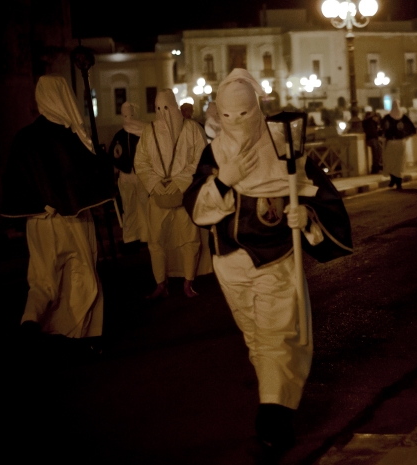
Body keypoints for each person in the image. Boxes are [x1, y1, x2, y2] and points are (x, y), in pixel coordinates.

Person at [182, 68, 353, 452]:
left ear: (257, 110)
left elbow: (323, 200)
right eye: (227, 116)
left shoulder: (285, 147)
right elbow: (196, 208)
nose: (236, 124)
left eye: (244, 114)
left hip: (276, 258)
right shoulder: (214, 153)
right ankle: (275, 397)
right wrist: (224, 181)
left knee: (276, 337)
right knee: (257, 338)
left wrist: (306, 217)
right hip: (229, 262)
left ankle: (274, 415)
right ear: (218, 115)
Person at [1, 75, 114, 341]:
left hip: (38, 223)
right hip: (71, 222)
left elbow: (16, 183)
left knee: (42, 281)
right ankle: (83, 334)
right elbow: (86, 179)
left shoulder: (23, 138)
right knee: (83, 273)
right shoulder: (71, 137)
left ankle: (30, 323)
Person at [134, 89, 212, 299]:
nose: (163, 113)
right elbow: (141, 161)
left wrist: (180, 181)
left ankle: (188, 282)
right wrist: (154, 183)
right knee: (156, 240)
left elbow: (200, 157)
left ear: (175, 106)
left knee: (189, 239)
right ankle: (161, 283)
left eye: (166, 108)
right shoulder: (149, 131)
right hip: (158, 196)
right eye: (158, 109)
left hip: (183, 195)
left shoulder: (192, 129)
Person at [108, 101, 149, 249]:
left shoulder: (145, 132)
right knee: (129, 207)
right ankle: (131, 237)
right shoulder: (120, 135)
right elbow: (113, 154)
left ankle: (146, 235)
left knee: (145, 207)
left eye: (130, 114)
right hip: (126, 176)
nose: (128, 118)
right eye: (125, 114)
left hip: (142, 176)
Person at [382, 100, 416, 189]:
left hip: (393, 142)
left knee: (395, 162)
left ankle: (396, 181)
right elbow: (412, 129)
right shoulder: (403, 118)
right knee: (396, 162)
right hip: (399, 143)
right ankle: (395, 180)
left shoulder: (388, 118)